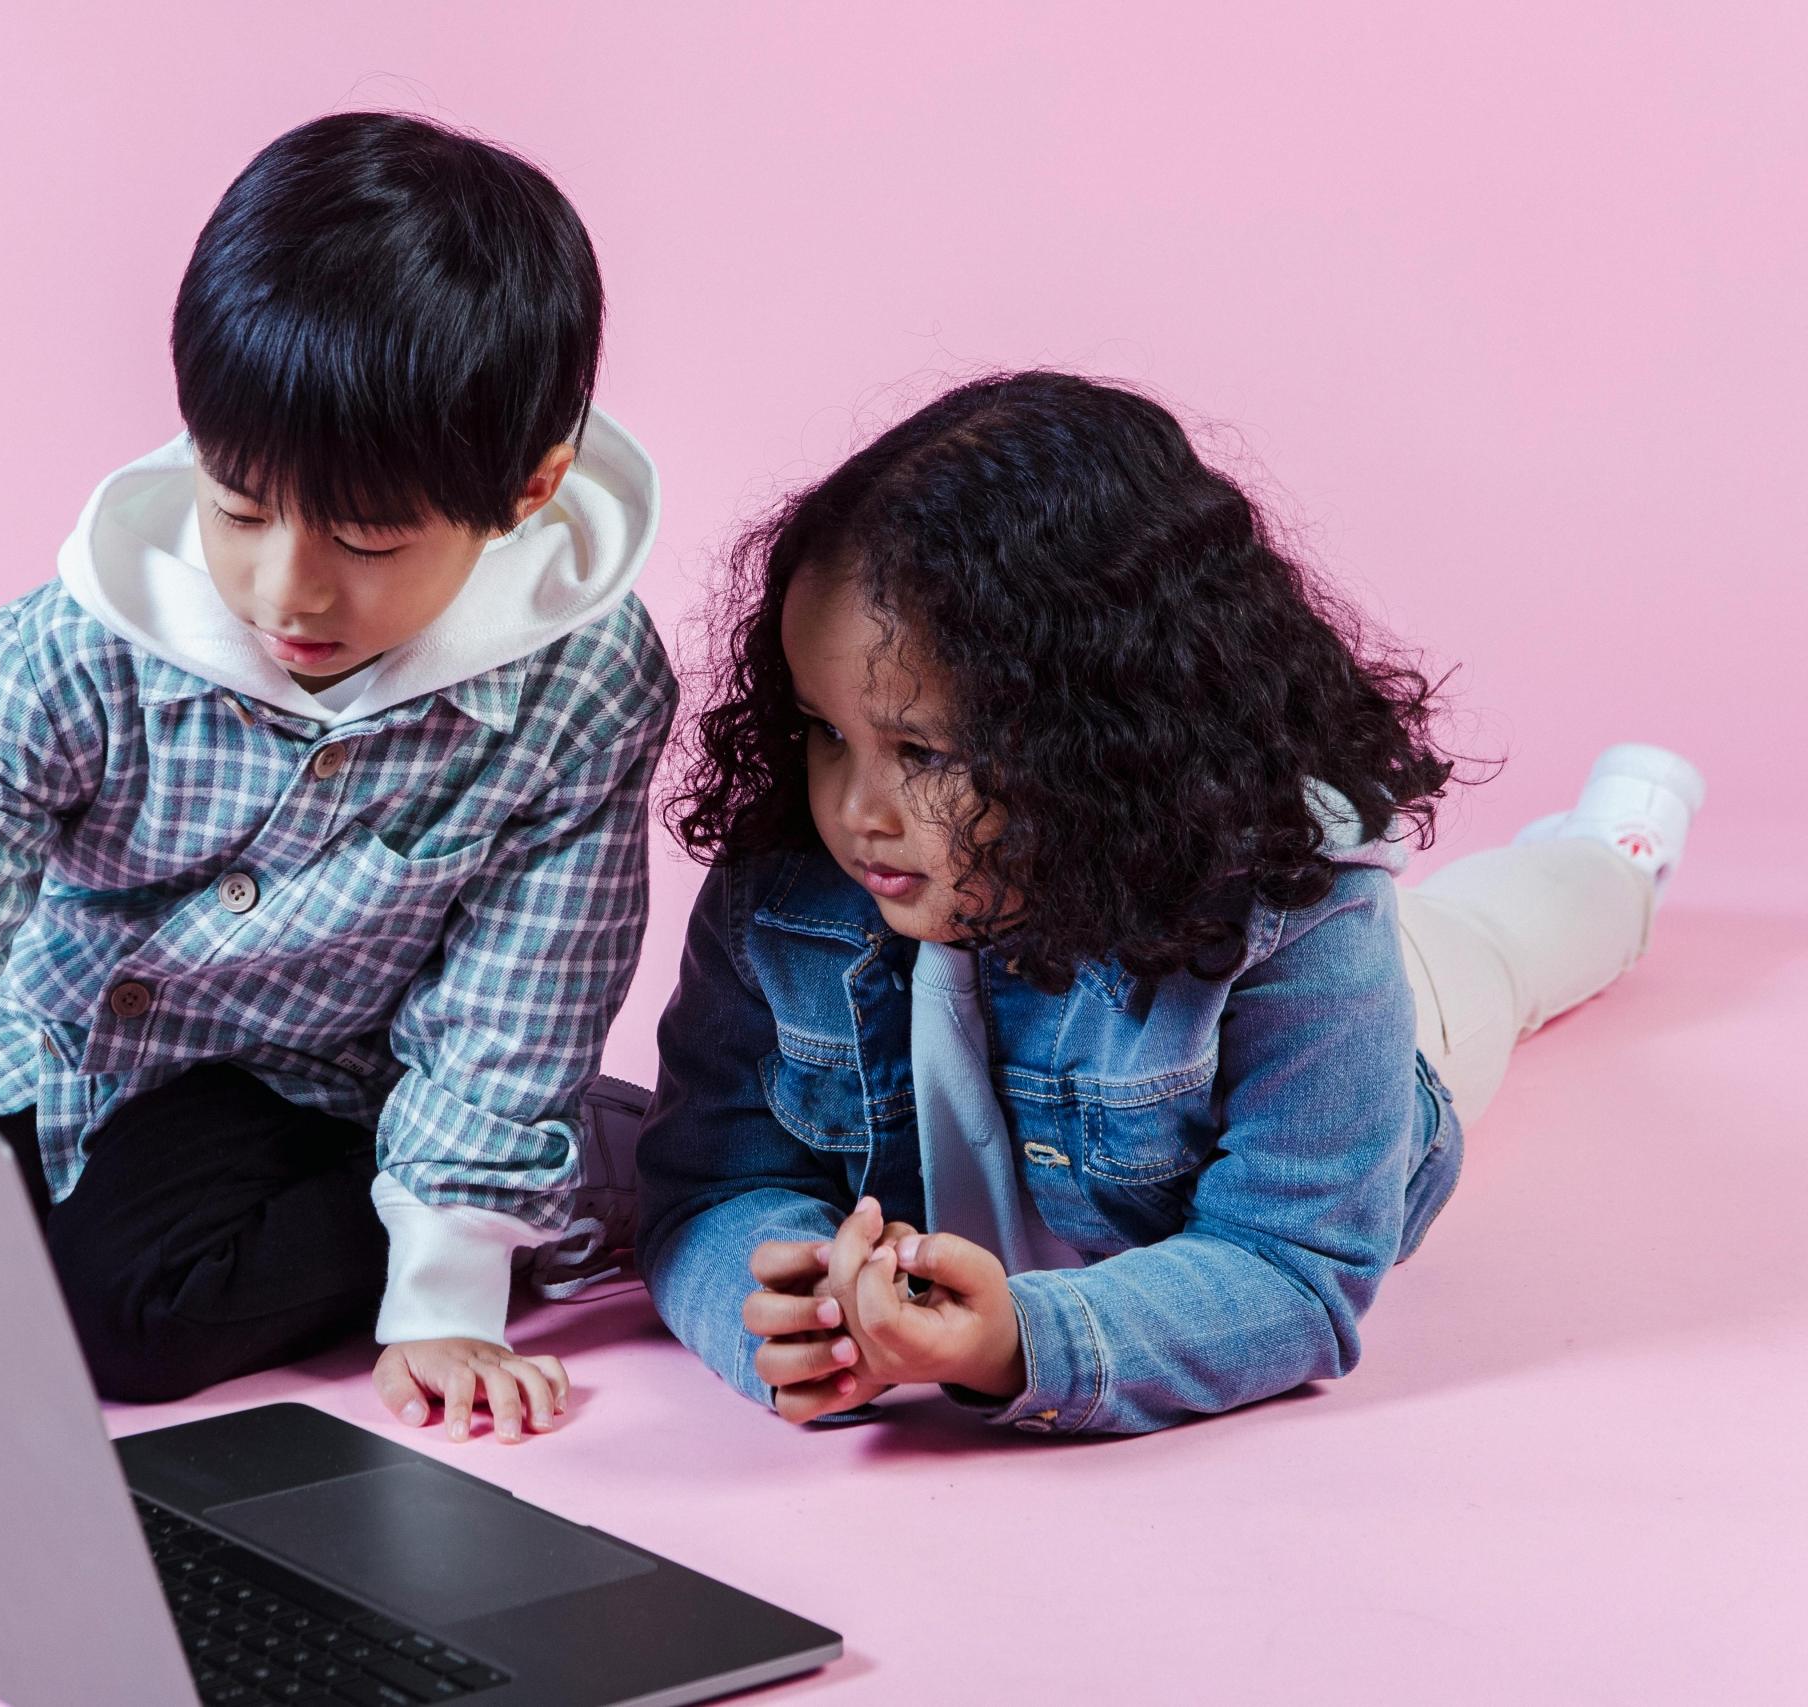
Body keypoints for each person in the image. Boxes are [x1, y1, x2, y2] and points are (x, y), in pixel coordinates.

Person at [0, 112, 677, 1445]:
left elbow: (526, 989)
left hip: (308, 1082)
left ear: (529, 489)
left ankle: (572, 1179)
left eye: (369, 537)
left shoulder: (585, 679)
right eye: (240, 507)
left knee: (133, 1323)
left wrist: (446, 1278)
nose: (290, 588)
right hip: (53, 1037)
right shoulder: (91, 628)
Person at [636, 371, 1704, 1435]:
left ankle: (1617, 849)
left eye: (921, 750)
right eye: (825, 730)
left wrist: (1020, 1345)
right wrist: (783, 1320)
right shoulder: (778, 896)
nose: (855, 808)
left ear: (1094, 740)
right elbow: (708, 1187)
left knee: (1499, 942)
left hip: (1389, 1019)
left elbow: (1292, 1268)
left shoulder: (1297, 911)